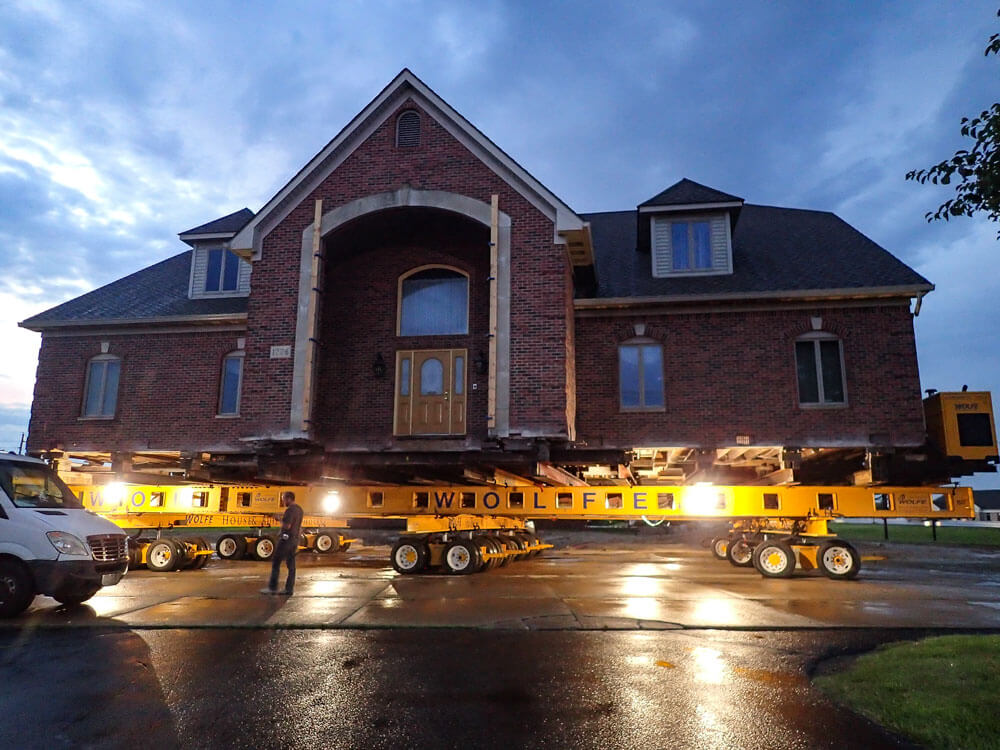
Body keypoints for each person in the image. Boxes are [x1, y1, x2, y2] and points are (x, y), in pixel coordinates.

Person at [262, 490, 303, 595]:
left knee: (276, 562)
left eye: (284, 499)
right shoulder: (299, 509)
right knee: (291, 566)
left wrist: (278, 519)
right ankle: (289, 589)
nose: (283, 501)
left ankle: (272, 588)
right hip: (294, 540)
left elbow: (287, 525)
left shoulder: (290, 510)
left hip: (286, 540)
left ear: (289, 499)